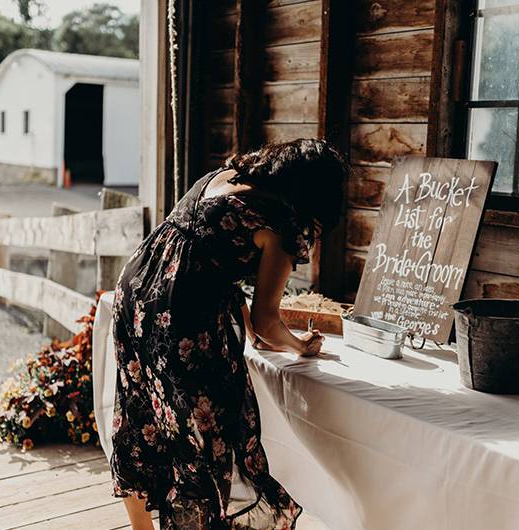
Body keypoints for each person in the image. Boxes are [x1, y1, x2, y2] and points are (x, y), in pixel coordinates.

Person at [110, 138, 348, 530]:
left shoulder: (223, 177)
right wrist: (300, 345)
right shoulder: (280, 225)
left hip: (136, 290)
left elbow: (211, 258)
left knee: (140, 410)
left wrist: (249, 326)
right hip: (181, 314)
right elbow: (269, 321)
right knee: (205, 436)